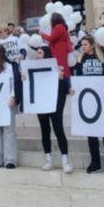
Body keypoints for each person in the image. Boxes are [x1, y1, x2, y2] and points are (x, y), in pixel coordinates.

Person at [75, 36, 104, 175]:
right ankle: (95, 162)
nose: (83, 47)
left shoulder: (103, 58)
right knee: (91, 133)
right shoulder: (80, 60)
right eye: (82, 44)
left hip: (103, 98)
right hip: (88, 99)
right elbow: (77, 78)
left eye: (85, 44)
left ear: (93, 45)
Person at [33, 46, 72, 174]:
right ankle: (48, 159)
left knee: (58, 129)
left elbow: (65, 89)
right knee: (45, 131)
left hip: (55, 104)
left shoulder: (57, 68)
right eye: (37, 53)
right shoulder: (34, 69)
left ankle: (65, 160)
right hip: (41, 103)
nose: (38, 55)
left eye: (40, 52)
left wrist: (61, 79)